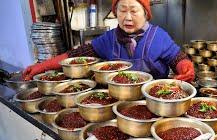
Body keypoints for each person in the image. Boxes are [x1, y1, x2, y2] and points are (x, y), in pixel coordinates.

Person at [23, 0, 195, 82]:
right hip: (116, 107)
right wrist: (41, 66)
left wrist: (185, 67)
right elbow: (75, 56)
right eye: (122, 10)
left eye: (134, 11)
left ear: (146, 13)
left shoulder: (159, 36)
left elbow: (177, 58)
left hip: (156, 105)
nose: (127, 17)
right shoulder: (108, 39)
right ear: (115, 12)